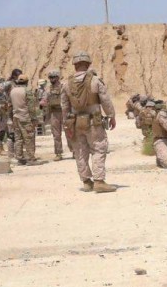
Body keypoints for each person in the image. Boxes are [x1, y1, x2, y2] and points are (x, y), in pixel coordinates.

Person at [60, 51, 117, 193]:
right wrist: (111, 116)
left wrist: (67, 124)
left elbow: (64, 107)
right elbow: (106, 101)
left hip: (75, 123)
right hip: (93, 123)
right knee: (98, 148)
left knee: (80, 152)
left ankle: (86, 182)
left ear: (75, 65)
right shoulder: (95, 81)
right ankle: (99, 181)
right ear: (88, 64)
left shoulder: (66, 84)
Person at [9, 74, 43, 165]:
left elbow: (10, 105)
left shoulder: (13, 91)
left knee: (18, 139)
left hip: (16, 118)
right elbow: (31, 107)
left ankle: (20, 158)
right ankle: (31, 159)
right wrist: (34, 119)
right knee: (29, 138)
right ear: (27, 82)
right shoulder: (27, 91)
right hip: (25, 118)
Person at [43, 70, 71, 161]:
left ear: (58, 77)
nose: (52, 79)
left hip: (64, 112)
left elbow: (70, 97)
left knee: (69, 132)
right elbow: (45, 99)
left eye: (53, 77)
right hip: (54, 113)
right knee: (56, 134)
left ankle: (74, 151)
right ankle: (58, 153)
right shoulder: (48, 88)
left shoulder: (64, 86)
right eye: (50, 77)